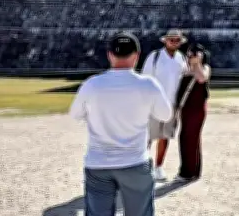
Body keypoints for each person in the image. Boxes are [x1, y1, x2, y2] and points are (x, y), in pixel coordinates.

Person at [69, 31, 173, 216]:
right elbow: (165, 115)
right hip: (135, 161)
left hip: (98, 162)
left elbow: (75, 115)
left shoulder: (92, 85)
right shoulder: (148, 85)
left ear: (109, 55)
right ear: (137, 56)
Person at [141, 29, 188, 181]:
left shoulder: (182, 59)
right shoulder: (154, 57)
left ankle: (159, 166)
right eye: (171, 39)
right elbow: (145, 80)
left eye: (177, 40)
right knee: (147, 136)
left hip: (172, 104)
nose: (174, 42)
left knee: (165, 136)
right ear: (165, 41)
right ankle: (143, 166)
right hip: (153, 103)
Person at [175, 43, 211, 182]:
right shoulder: (185, 69)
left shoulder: (205, 68)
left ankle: (188, 172)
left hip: (197, 109)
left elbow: (202, 78)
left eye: (195, 53)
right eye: (190, 54)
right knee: (186, 137)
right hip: (186, 108)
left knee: (191, 138)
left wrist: (197, 64)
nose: (192, 56)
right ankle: (192, 169)